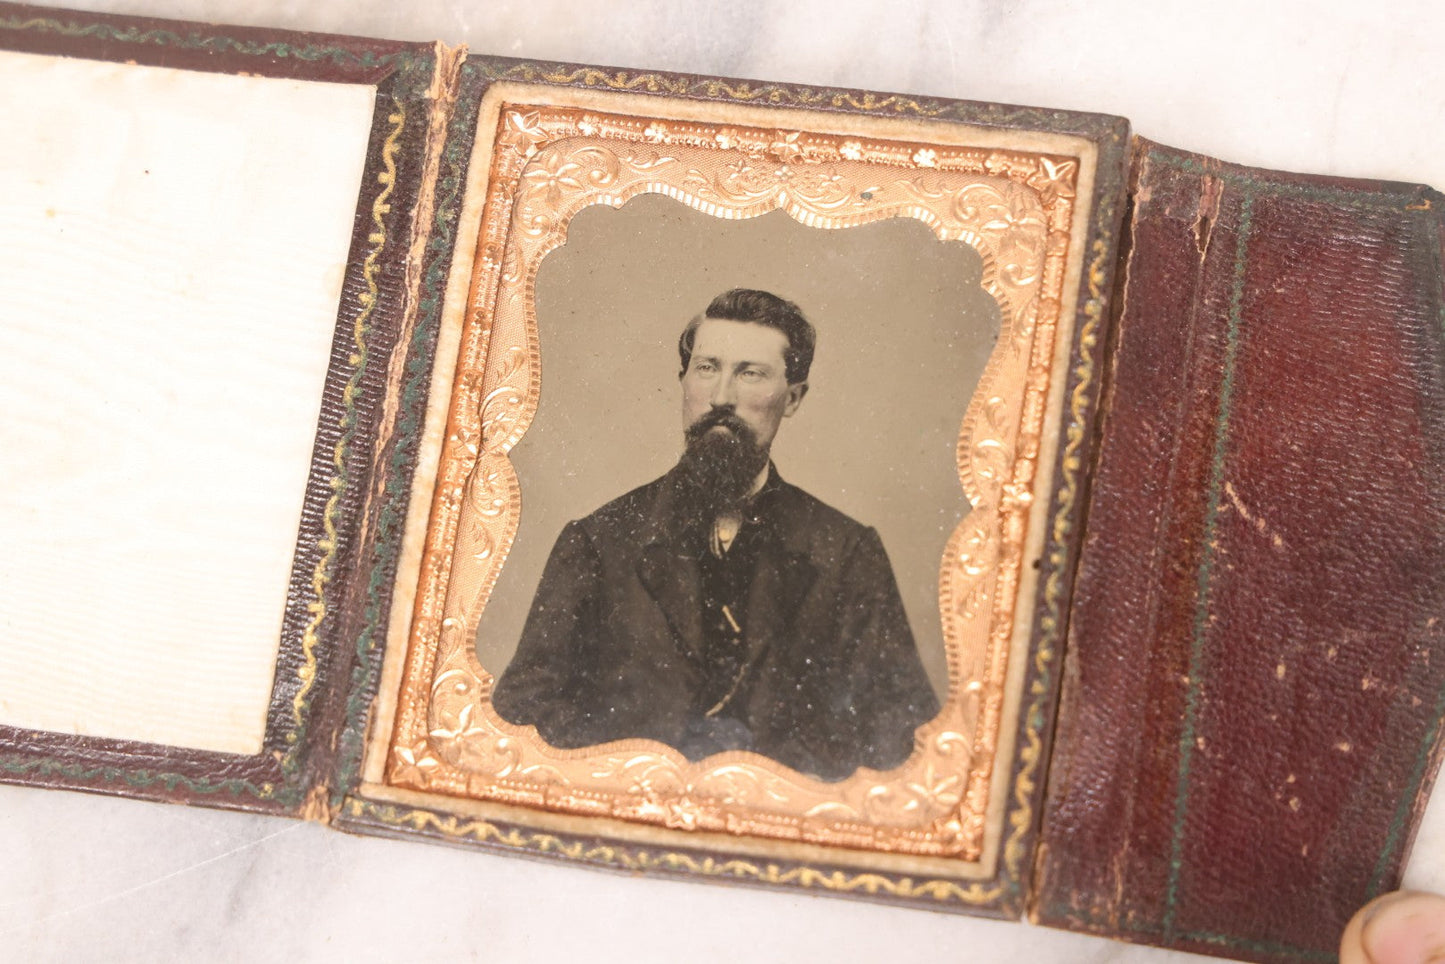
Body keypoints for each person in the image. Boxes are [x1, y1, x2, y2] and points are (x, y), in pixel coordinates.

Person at [491, 289, 939, 781]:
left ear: (793, 398)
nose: (722, 397)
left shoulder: (846, 552)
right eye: (707, 368)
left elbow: (899, 736)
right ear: (684, 381)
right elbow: (524, 718)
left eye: (750, 373)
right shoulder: (598, 542)